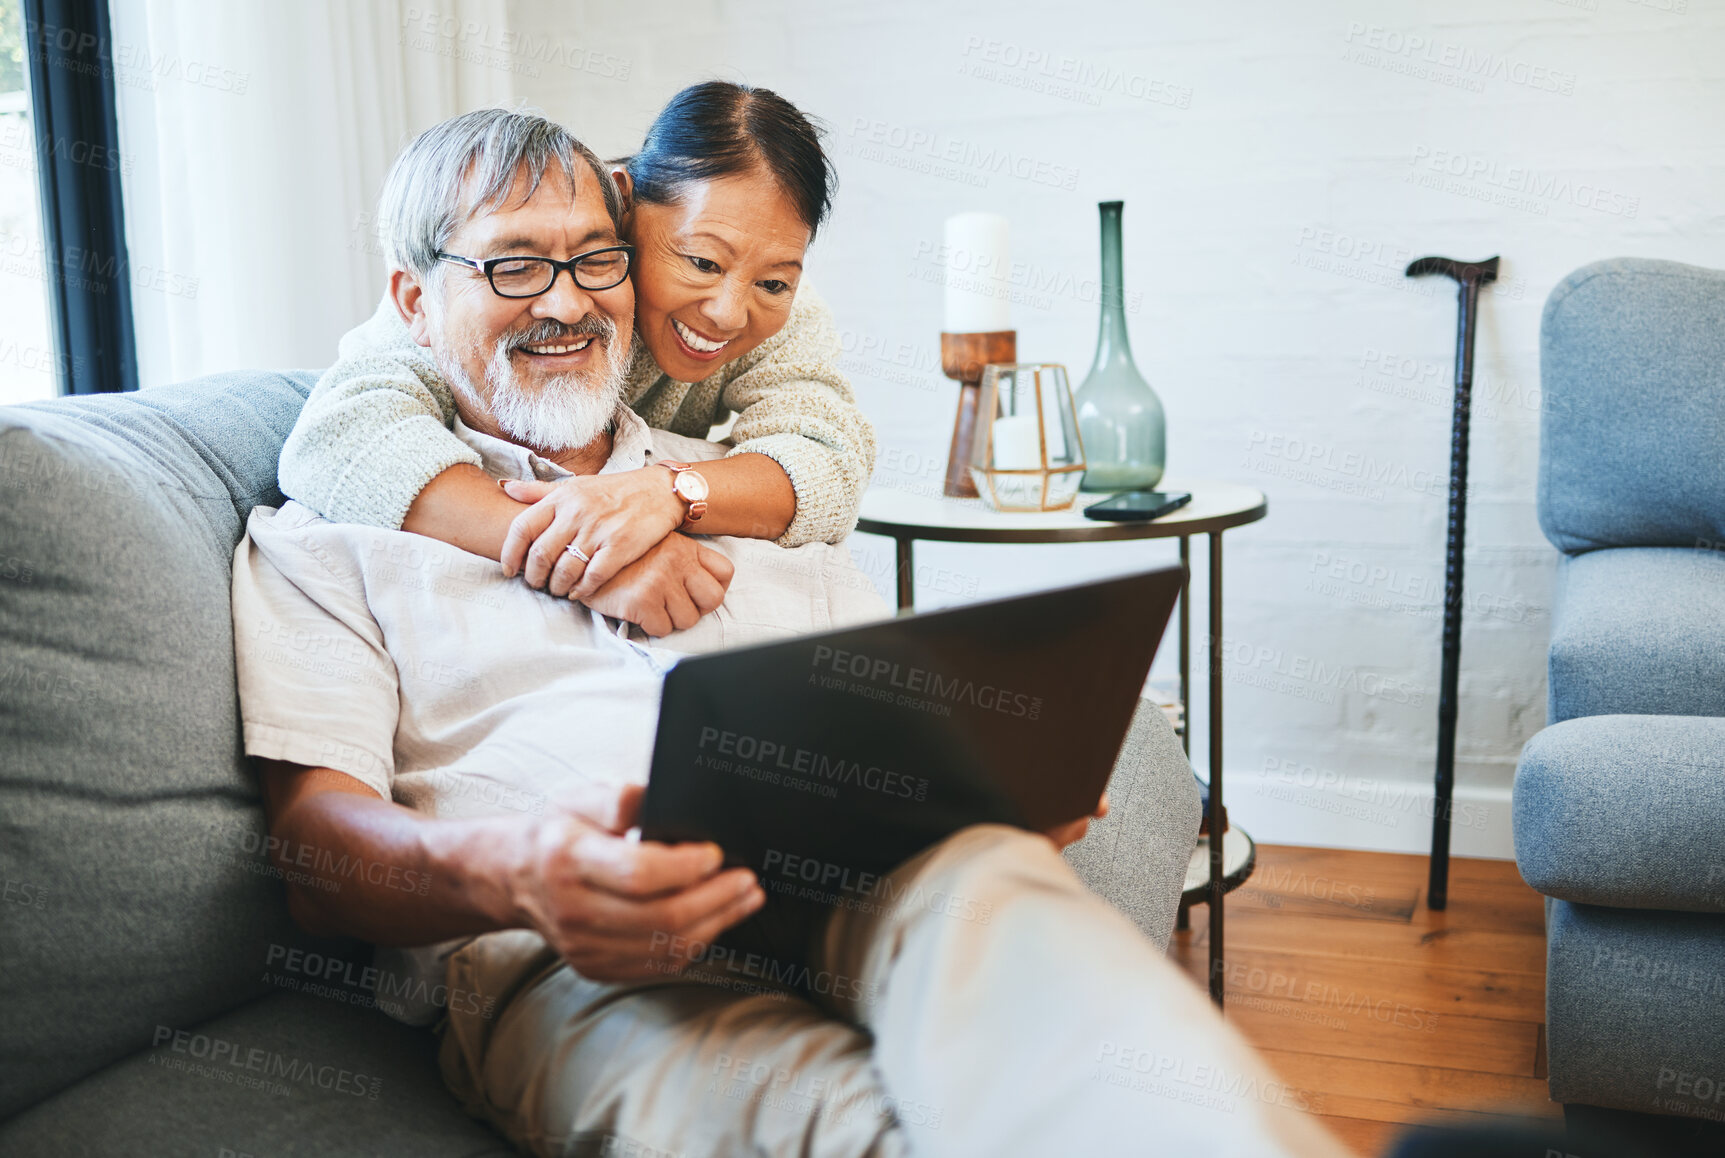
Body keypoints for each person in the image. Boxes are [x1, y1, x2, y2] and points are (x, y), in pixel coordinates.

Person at [235, 110, 1344, 1158]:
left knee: (1081, 1020)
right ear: (414, 303)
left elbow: (893, 699)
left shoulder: (738, 485)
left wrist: (984, 780)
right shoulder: (327, 539)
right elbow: (315, 855)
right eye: (515, 264)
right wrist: (518, 873)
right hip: (576, 955)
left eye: (596, 259)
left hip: (862, 879)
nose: (567, 302)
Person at [277, 84, 873, 635]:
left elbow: (830, 459)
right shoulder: (458, 304)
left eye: (774, 281)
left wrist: (664, 492)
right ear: (624, 202)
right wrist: (590, 551)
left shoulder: (769, 303)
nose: (726, 312)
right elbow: (338, 436)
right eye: (701, 262)